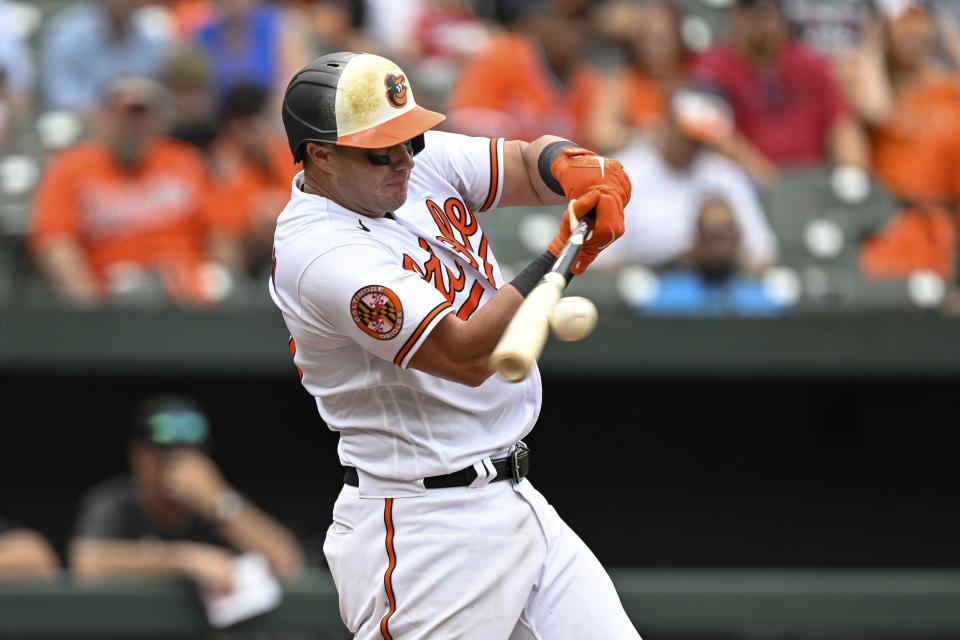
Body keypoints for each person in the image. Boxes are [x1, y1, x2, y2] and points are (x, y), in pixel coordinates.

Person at [270, 52, 638, 638]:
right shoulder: (319, 252)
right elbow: (463, 355)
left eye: (409, 140)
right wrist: (561, 260)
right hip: (425, 527)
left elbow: (521, 161)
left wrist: (575, 166)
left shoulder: (411, 162)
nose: (403, 161)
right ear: (321, 155)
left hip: (515, 496)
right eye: (380, 150)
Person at [28, 76, 245, 307]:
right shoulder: (70, 167)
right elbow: (55, 243)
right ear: (104, 117)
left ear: (157, 121)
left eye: (140, 116)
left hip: (187, 294)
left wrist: (226, 298)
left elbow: (222, 234)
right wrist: (91, 310)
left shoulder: (187, 162)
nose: (130, 125)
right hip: (114, 298)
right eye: (122, 115)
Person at [69, 395, 304, 594]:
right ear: (138, 458)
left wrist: (219, 502)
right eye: (165, 456)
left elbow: (288, 563)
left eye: (189, 457)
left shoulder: (220, 502)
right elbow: (86, 564)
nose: (177, 468)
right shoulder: (116, 501)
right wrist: (185, 560)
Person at [592, 86, 778, 275]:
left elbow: (762, 253)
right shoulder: (625, 173)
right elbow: (602, 259)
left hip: (716, 288)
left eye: (701, 139)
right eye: (687, 136)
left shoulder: (725, 176)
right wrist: (670, 259)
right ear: (668, 124)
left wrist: (718, 256)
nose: (693, 146)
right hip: (646, 290)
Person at [692, 0, 870, 186]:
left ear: (781, 18)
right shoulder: (713, 67)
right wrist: (768, 176)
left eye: (764, 14)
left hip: (811, 182)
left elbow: (843, 125)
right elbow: (712, 133)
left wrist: (852, 177)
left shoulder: (810, 64)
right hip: (743, 184)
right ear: (734, 17)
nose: (757, 23)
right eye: (748, 13)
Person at [840, 0, 959, 279]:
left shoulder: (944, 88)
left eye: (920, 31)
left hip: (943, 222)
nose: (914, 39)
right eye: (905, 31)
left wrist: (949, 45)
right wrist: (875, 42)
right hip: (891, 224)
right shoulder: (875, 84)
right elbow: (876, 110)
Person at [444, 0, 604, 145]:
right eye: (562, 20)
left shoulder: (588, 81)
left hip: (551, 173)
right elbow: (460, 119)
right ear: (540, 21)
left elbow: (593, 143)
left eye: (580, 22)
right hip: (495, 168)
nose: (571, 33)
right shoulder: (502, 54)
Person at [208, 83, 299, 277]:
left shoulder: (283, 153)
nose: (247, 128)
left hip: (289, 237)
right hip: (247, 246)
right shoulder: (223, 160)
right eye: (240, 120)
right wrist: (254, 216)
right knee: (223, 246)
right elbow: (223, 224)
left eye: (253, 118)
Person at [641, 198, 785, 316]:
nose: (717, 250)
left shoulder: (762, 303)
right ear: (697, 239)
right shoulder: (666, 300)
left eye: (723, 237)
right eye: (711, 237)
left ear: (736, 238)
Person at [41, 0, 171, 114]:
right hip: (87, 127)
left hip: (140, 122)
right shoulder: (67, 35)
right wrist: (106, 112)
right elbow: (62, 97)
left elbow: (161, 93)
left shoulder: (151, 36)